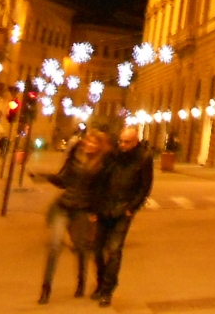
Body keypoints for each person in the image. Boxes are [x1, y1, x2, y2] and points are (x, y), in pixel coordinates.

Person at [39, 129, 110, 304]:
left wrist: (95, 212)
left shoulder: (102, 165)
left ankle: (81, 282)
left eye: (94, 143)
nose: (89, 144)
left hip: (83, 209)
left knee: (81, 247)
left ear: (99, 146)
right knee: (55, 246)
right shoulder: (74, 156)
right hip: (64, 206)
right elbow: (64, 181)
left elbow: (100, 191)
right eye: (88, 141)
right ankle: (46, 288)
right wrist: (46, 177)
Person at [93, 126, 153, 307]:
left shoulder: (143, 158)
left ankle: (107, 290)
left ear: (135, 142)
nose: (123, 145)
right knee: (97, 249)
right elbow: (101, 179)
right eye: (121, 141)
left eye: (127, 142)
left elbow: (145, 186)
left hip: (123, 209)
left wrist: (132, 208)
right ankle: (101, 282)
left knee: (114, 249)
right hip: (105, 206)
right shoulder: (112, 155)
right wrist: (95, 205)